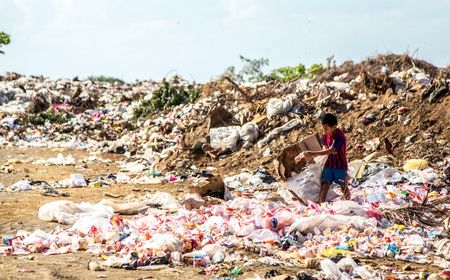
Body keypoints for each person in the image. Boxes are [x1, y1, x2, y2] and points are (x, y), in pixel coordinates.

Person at [295, 113, 350, 203]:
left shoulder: (340, 137)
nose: (324, 131)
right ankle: (321, 206)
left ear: (334, 127)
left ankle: (349, 203)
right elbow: (325, 148)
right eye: (323, 129)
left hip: (339, 165)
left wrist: (311, 153)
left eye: (326, 129)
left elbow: (330, 150)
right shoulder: (326, 135)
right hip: (329, 164)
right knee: (324, 185)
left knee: (343, 186)